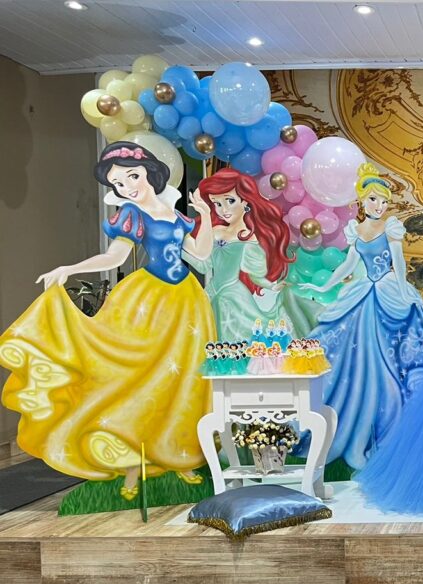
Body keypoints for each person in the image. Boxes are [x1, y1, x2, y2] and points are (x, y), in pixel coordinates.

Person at [0, 142, 217, 499]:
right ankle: (132, 462)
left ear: (149, 172)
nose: (127, 187)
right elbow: (114, 257)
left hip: (187, 302)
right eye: (118, 183)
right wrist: (70, 268)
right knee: (141, 378)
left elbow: (201, 252)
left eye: (132, 176)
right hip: (151, 301)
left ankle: (180, 456)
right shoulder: (131, 215)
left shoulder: (174, 214)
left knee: (183, 379)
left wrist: (205, 217)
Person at [299, 163, 423, 469]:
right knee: (343, 348)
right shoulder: (356, 230)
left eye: (384, 201)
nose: (380, 206)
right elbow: (349, 265)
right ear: (362, 201)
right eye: (374, 199)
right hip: (364, 291)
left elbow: (398, 263)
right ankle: (349, 426)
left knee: (395, 357)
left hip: (387, 289)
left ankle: (395, 432)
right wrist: (323, 285)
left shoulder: (391, 227)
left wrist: (404, 291)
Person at [185, 168, 320, 339]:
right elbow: (204, 265)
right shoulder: (216, 231)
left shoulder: (250, 238)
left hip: (233, 298)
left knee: (234, 342)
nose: (223, 209)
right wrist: (180, 247)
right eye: (217, 204)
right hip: (211, 293)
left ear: (245, 201)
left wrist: (272, 286)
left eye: (230, 201)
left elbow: (255, 274)